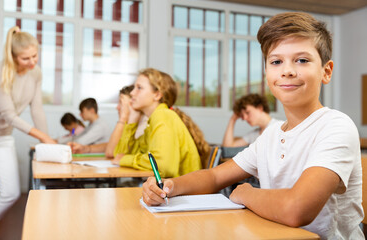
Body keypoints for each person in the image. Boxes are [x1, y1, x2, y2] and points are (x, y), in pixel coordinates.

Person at [142, 12, 364, 239]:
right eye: (276, 61)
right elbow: (215, 177)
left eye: (302, 60)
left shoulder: (335, 126)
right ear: (267, 73)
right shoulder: (271, 136)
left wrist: (246, 193)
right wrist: (169, 186)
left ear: (326, 72)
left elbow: (296, 209)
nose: (287, 70)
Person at [0, 26, 56, 240]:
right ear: (13, 56)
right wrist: (43, 137)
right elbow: (10, 116)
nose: (32, 62)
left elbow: (37, 109)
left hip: (5, 135)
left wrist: (47, 140)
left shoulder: (35, 73)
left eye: (35, 56)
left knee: (12, 192)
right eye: (26, 58)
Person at [112, 68, 210, 177]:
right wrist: (132, 121)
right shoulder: (153, 120)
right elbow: (119, 155)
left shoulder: (163, 116)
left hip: (187, 192)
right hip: (173, 190)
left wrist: (125, 159)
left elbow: (163, 166)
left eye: (139, 88)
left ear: (157, 95)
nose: (132, 93)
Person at [70, 85, 148, 158]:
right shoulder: (129, 124)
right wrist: (86, 149)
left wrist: (122, 118)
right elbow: (114, 145)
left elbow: (110, 151)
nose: (117, 107)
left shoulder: (143, 127)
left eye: (121, 103)